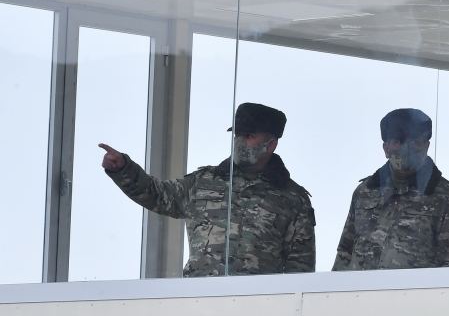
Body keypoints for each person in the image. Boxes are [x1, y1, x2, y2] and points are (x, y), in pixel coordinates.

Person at [100, 102, 316, 276]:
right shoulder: (203, 182)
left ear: (271, 144)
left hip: (257, 307)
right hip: (198, 302)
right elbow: (157, 194)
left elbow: (300, 269)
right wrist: (123, 169)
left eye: (249, 136)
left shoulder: (292, 199)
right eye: (237, 134)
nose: (240, 142)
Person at [333, 108, 449, 271]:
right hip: (359, 294)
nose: (406, 149)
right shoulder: (365, 192)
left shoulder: (447, 198)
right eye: (398, 141)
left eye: (415, 141)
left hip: (414, 295)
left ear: (426, 145)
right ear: (386, 147)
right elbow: (345, 253)